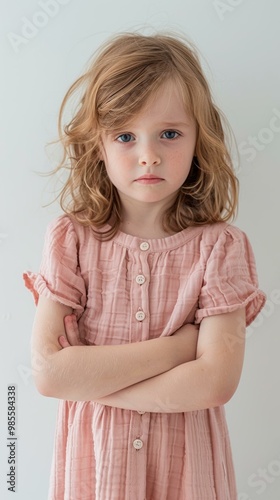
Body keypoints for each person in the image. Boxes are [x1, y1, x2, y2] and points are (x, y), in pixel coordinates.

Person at [23, 32, 266, 500]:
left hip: (187, 477)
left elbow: (214, 383)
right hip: (96, 473)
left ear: (199, 138)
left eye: (169, 134)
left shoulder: (220, 248)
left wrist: (92, 383)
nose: (148, 154)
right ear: (98, 145)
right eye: (125, 136)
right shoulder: (70, 240)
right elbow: (50, 374)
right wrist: (180, 349)